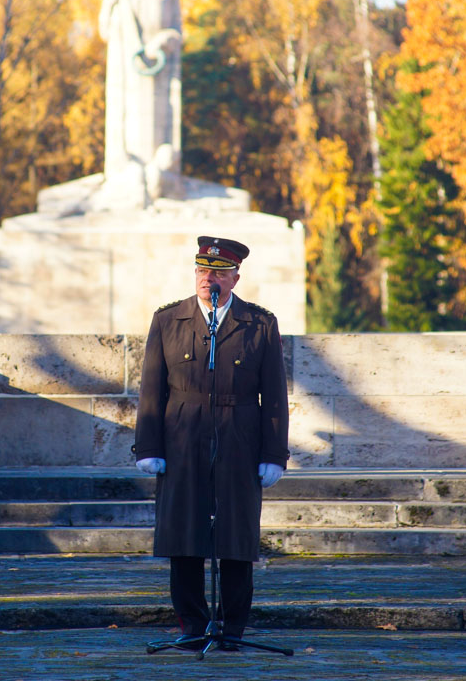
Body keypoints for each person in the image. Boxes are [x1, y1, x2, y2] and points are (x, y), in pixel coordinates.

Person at [133, 236, 289, 646]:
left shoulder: (259, 324)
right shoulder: (169, 321)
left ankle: (232, 627)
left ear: (235, 278)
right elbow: (151, 389)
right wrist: (148, 447)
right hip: (182, 437)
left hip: (239, 437)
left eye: (219, 273)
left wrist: (274, 454)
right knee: (184, 534)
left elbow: (273, 395)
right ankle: (191, 623)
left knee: (236, 537)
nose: (209, 279)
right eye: (203, 271)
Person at [98, 0, 182, 203]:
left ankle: (159, 175)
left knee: (159, 129)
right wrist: (110, 0)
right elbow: (105, 31)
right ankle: (128, 172)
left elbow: (178, 33)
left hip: (160, 74)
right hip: (128, 77)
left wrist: (160, 41)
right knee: (128, 125)